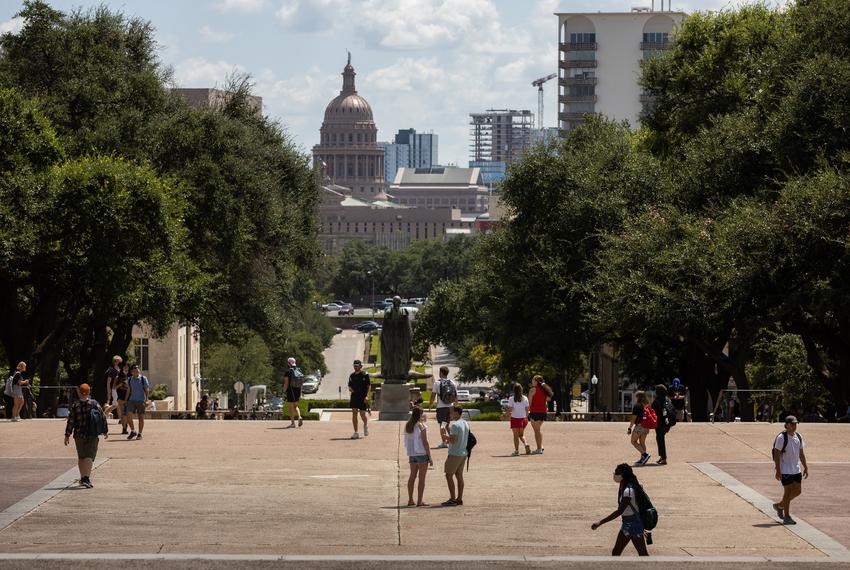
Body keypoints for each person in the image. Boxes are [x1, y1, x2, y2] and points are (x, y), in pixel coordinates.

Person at [590, 463, 649, 556]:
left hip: (631, 524)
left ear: (623, 475)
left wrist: (600, 522)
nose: (615, 474)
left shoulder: (628, 491)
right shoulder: (630, 486)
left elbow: (619, 511)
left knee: (637, 553)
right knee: (618, 552)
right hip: (631, 523)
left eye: (617, 472)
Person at [63, 383, 108, 488]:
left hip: (78, 434)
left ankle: (82, 477)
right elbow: (102, 417)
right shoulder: (94, 403)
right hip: (92, 433)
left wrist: (67, 435)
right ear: (89, 392)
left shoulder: (75, 405)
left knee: (81, 456)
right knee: (89, 456)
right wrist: (105, 430)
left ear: (79, 392)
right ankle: (86, 478)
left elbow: (71, 421)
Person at [772, 415, 809, 525]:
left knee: (798, 491)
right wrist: (778, 470)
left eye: (795, 424)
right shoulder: (781, 438)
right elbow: (776, 455)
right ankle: (787, 516)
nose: (794, 426)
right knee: (787, 492)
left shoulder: (798, 436)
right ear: (787, 425)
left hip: (796, 469)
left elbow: (801, 453)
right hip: (785, 469)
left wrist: (805, 467)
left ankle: (780, 505)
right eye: (792, 424)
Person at [404, 405, 433, 507]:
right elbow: (426, 442)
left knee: (412, 476)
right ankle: (419, 501)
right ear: (420, 415)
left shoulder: (408, 425)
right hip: (421, 454)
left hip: (412, 454)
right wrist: (430, 456)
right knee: (421, 479)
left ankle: (410, 500)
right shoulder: (422, 426)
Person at [440, 405, 469, 506]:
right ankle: (459, 498)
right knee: (459, 476)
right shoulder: (465, 423)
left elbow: (453, 440)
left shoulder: (455, 425)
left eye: (452, 412)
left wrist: (444, 435)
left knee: (449, 475)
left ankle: (452, 499)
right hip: (463, 453)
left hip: (454, 453)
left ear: (457, 412)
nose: (450, 414)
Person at [428, 366, 457, 448]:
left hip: (441, 407)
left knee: (442, 425)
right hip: (450, 407)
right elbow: (455, 396)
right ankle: (453, 440)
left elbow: (433, 395)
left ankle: (444, 442)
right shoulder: (452, 382)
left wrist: (430, 405)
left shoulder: (437, 383)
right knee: (447, 425)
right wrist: (455, 407)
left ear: (440, 372)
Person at [527, 375, 553, 454]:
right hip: (543, 412)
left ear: (536, 381)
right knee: (538, 430)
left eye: (533, 380)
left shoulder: (532, 390)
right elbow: (548, 399)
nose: (532, 381)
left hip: (535, 412)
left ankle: (539, 449)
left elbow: (529, 403)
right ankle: (540, 446)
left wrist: (526, 411)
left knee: (537, 431)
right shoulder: (545, 390)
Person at [124, 364, 149, 440]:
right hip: (131, 400)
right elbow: (128, 390)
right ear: (132, 372)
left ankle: (140, 433)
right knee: (128, 416)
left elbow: (146, 389)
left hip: (141, 400)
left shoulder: (143, 378)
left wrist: (147, 399)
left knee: (141, 417)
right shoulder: (130, 379)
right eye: (135, 370)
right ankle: (133, 431)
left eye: (138, 369)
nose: (136, 371)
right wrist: (126, 400)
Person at [348, 359, 371, 439]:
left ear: (361, 366)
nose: (356, 367)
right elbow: (349, 385)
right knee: (354, 413)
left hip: (363, 397)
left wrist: (367, 396)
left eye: (357, 366)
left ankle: (365, 425)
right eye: (354, 366)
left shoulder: (365, 374)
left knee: (362, 414)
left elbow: (369, 386)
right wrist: (350, 389)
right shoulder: (351, 375)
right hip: (354, 396)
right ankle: (356, 432)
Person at [507, 382, 531, 456]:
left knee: (515, 436)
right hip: (523, 418)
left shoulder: (511, 399)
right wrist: (527, 418)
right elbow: (527, 409)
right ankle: (526, 444)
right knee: (521, 435)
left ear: (514, 390)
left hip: (515, 418)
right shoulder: (525, 398)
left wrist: (505, 414)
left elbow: (510, 410)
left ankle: (517, 451)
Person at [651, 385, 672, 465]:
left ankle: (663, 458)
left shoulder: (656, 401)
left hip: (660, 424)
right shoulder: (668, 399)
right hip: (668, 423)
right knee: (660, 438)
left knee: (660, 439)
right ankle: (662, 457)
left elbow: (652, 411)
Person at [628, 391, 651, 465]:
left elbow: (633, 419)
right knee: (642, 442)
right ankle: (642, 460)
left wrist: (630, 428)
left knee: (633, 441)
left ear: (638, 397)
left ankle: (645, 455)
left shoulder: (637, 406)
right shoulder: (646, 405)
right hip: (646, 426)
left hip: (639, 427)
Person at [283, 357, 304, 428]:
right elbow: (301, 383)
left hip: (290, 390)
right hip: (297, 390)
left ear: (289, 363)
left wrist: (284, 391)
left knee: (290, 407)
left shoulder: (288, 372)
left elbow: (286, 383)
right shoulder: (299, 370)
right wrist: (300, 392)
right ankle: (299, 416)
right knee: (296, 406)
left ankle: (292, 423)